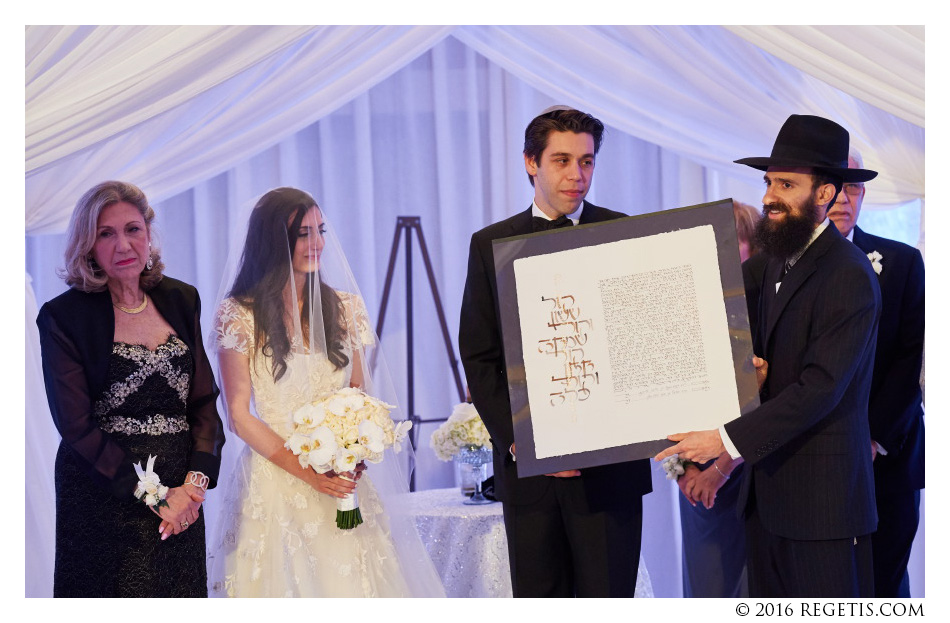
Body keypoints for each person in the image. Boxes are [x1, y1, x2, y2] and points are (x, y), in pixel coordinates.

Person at [655, 114, 881, 597]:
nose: (768, 196)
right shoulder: (773, 260)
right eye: (768, 181)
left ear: (825, 194)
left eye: (786, 183)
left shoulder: (848, 274)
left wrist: (723, 441)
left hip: (822, 510)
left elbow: (818, 390)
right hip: (767, 504)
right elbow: (707, 310)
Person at [206, 187, 444, 597]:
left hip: (341, 480)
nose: (316, 243)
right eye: (302, 233)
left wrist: (354, 449)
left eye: (321, 230)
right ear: (273, 241)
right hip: (276, 481)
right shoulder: (239, 314)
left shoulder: (346, 306)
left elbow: (359, 393)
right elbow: (239, 417)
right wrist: (309, 473)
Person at [459, 107, 652, 597]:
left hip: (612, 474)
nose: (577, 174)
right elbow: (480, 356)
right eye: (562, 160)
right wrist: (518, 439)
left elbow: (641, 341)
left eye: (586, 161)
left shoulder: (626, 232)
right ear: (531, 163)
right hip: (532, 475)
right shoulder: (489, 244)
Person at [36, 181, 226, 597]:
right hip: (104, 491)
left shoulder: (181, 298)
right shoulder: (63, 317)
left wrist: (193, 488)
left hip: (182, 496)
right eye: (106, 233)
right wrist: (154, 497)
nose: (123, 244)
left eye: (133, 229)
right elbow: (76, 428)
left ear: (148, 234)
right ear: (87, 244)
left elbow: (205, 404)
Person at [827, 151, 925, 597]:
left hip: (888, 457)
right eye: (836, 184)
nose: (845, 198)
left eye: (855, 187)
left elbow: (912, 361)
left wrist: (873, 438)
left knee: (884, 584)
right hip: (811, 466)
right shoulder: (778, 267)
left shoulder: (903, 263)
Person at [674, 199, 761, 598]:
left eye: (732, 243)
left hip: (751, 470)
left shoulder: (764, 311)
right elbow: (662, 402)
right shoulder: (680, 310)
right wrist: (683, 471)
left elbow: (767, 404)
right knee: (705, 584)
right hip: (695, 477)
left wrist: (722, 468)